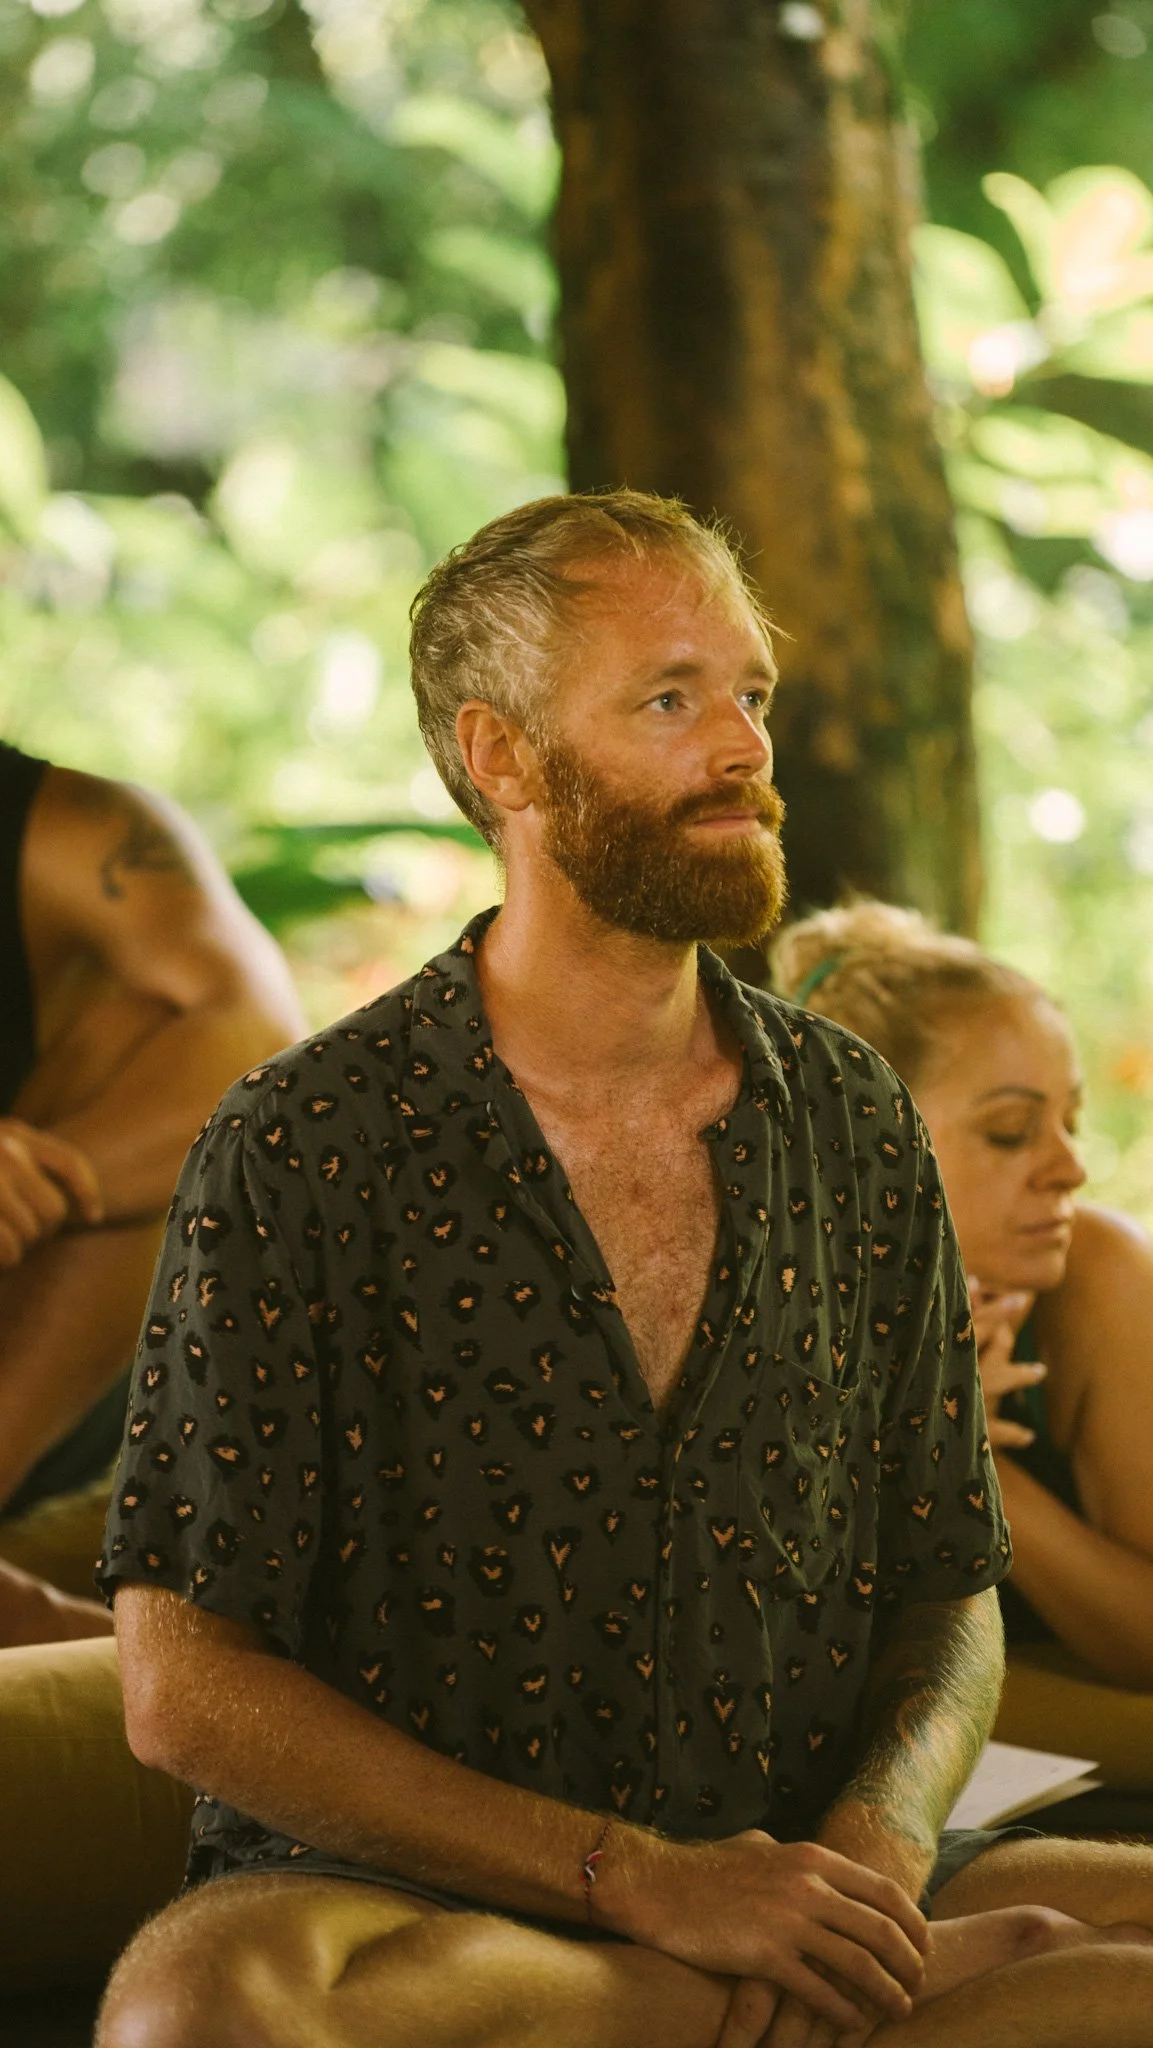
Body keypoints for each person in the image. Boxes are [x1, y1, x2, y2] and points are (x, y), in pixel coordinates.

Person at [98, 493, 1153, 2048]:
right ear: (504, 757)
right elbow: (183, 1689)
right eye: (670, 700)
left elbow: (948, 1591)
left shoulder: (853, 1119)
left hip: (797, 1878)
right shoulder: (303, 1143)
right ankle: (708, 1999)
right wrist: (641, 1883)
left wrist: (874, 1854)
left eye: (750, 695)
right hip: (414, 1910)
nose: (742, 748)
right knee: (196, 2010)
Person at [772, 901, 1153, 1774]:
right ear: (866, 1146)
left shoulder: (1094, 1276)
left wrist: (968, 1460)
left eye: (1070, 1121)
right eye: (1010, 1133)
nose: (1068, 1167)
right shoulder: (776, 1305)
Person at [0, 743, 305, 1644]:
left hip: (34, 1377)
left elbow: (259, 1043)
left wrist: (48, 1177)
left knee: (157, 1016)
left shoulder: (73, 825)